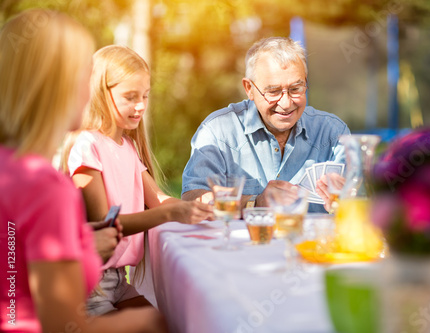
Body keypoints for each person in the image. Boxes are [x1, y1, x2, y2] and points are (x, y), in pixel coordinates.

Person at [0, 9, 165, 333]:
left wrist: (82, 245)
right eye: (84, 77)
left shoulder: (12, 169)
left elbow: (13, 278)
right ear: (57, 88)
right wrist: (150, 322)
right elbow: (61, 325)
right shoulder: (45, 187)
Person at [65, 45, 213, 316]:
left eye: (145, 95)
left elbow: (156, 198)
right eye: (130, 97)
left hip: (119, 279)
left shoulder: (128, 147)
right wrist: (169, 213)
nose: (141, 105)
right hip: (89, 284)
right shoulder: (87, 145)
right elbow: (104, 225)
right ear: (101, 93)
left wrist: (196, 207)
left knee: (170, 320)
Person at [181, 36, 350, 212]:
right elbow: (193, 199)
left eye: (295, 89)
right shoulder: (218, 131)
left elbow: (362, 203)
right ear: (249, 89)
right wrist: (254, 202)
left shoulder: (333, 133)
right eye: (274, 91)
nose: (286, 103)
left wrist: (347, 202)